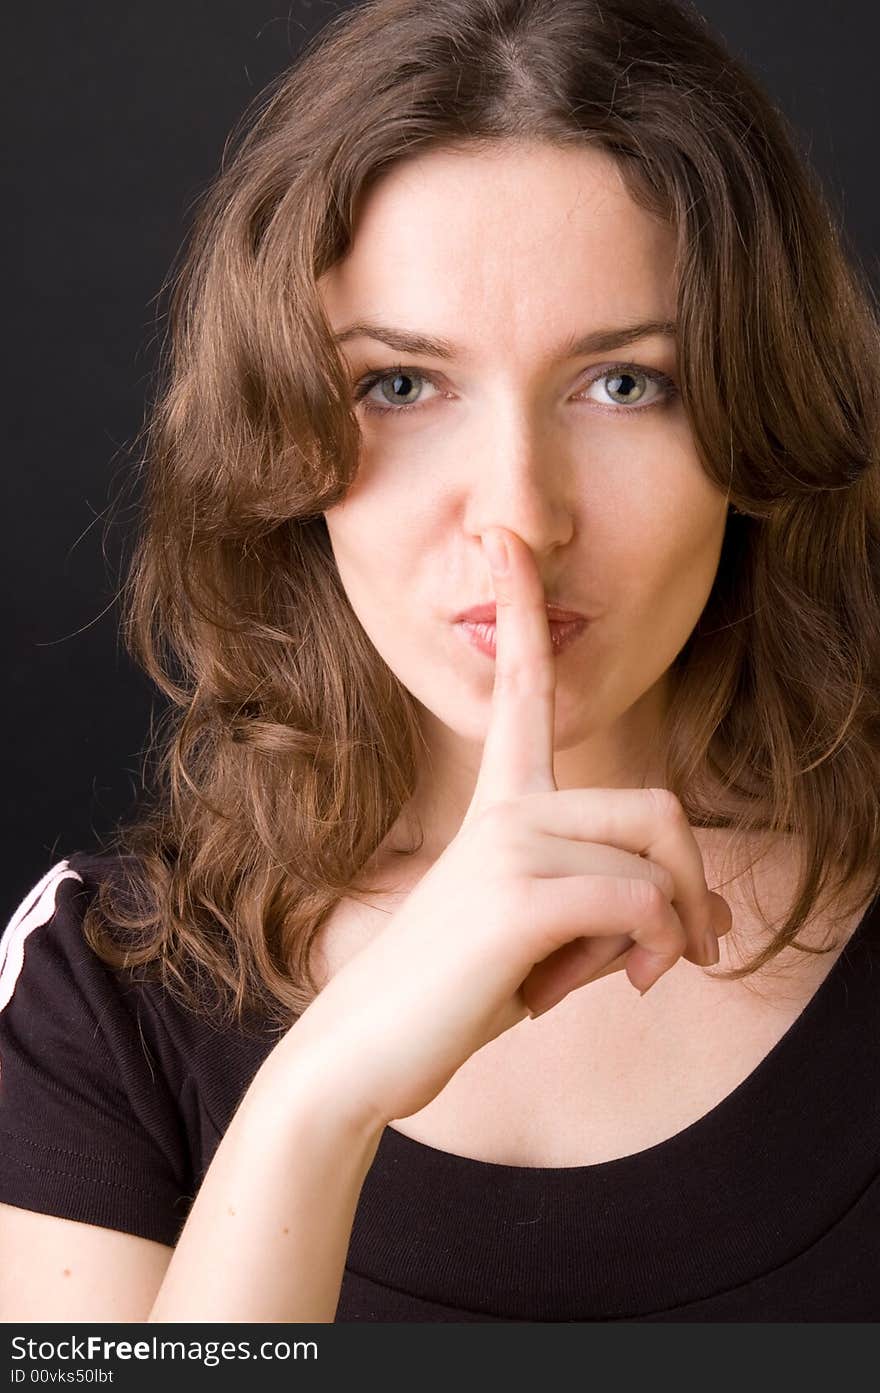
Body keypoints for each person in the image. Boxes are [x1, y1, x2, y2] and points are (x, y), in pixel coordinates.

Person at [1, 0, 879, 1323]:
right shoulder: (98, 984)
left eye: (625, 384)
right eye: (402, 387)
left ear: (756, 425)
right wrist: (321, 1095)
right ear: (284, 442)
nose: (519, 511)